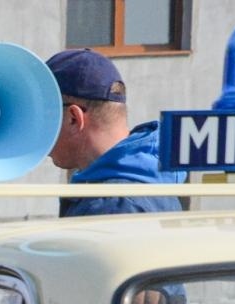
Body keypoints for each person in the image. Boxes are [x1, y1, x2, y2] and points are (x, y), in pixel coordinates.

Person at [45, 48, 186, 217]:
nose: (38, 133)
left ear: (73, 118)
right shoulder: (145, 184)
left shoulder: (113, 206)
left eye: (43, 118)